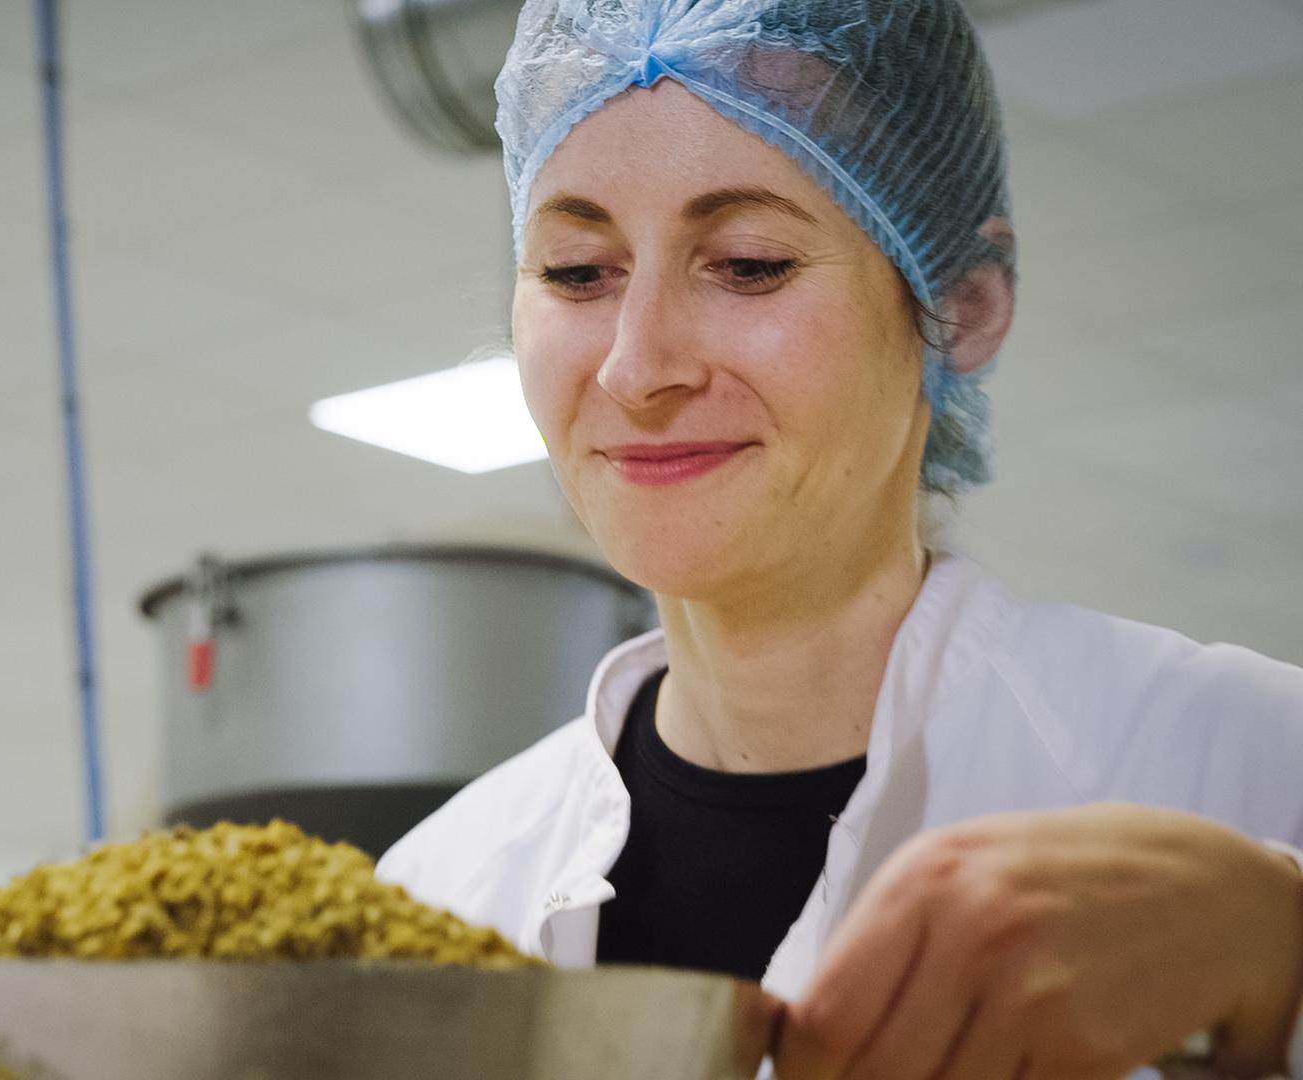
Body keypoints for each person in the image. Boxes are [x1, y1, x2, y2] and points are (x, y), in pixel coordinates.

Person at [373, 1, 1303, 1077]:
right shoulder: (441, 891)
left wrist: (1278, 943)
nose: (637, 366)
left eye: (749, 262)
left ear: (964, 302)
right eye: (579, 270)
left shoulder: (1238, 759)